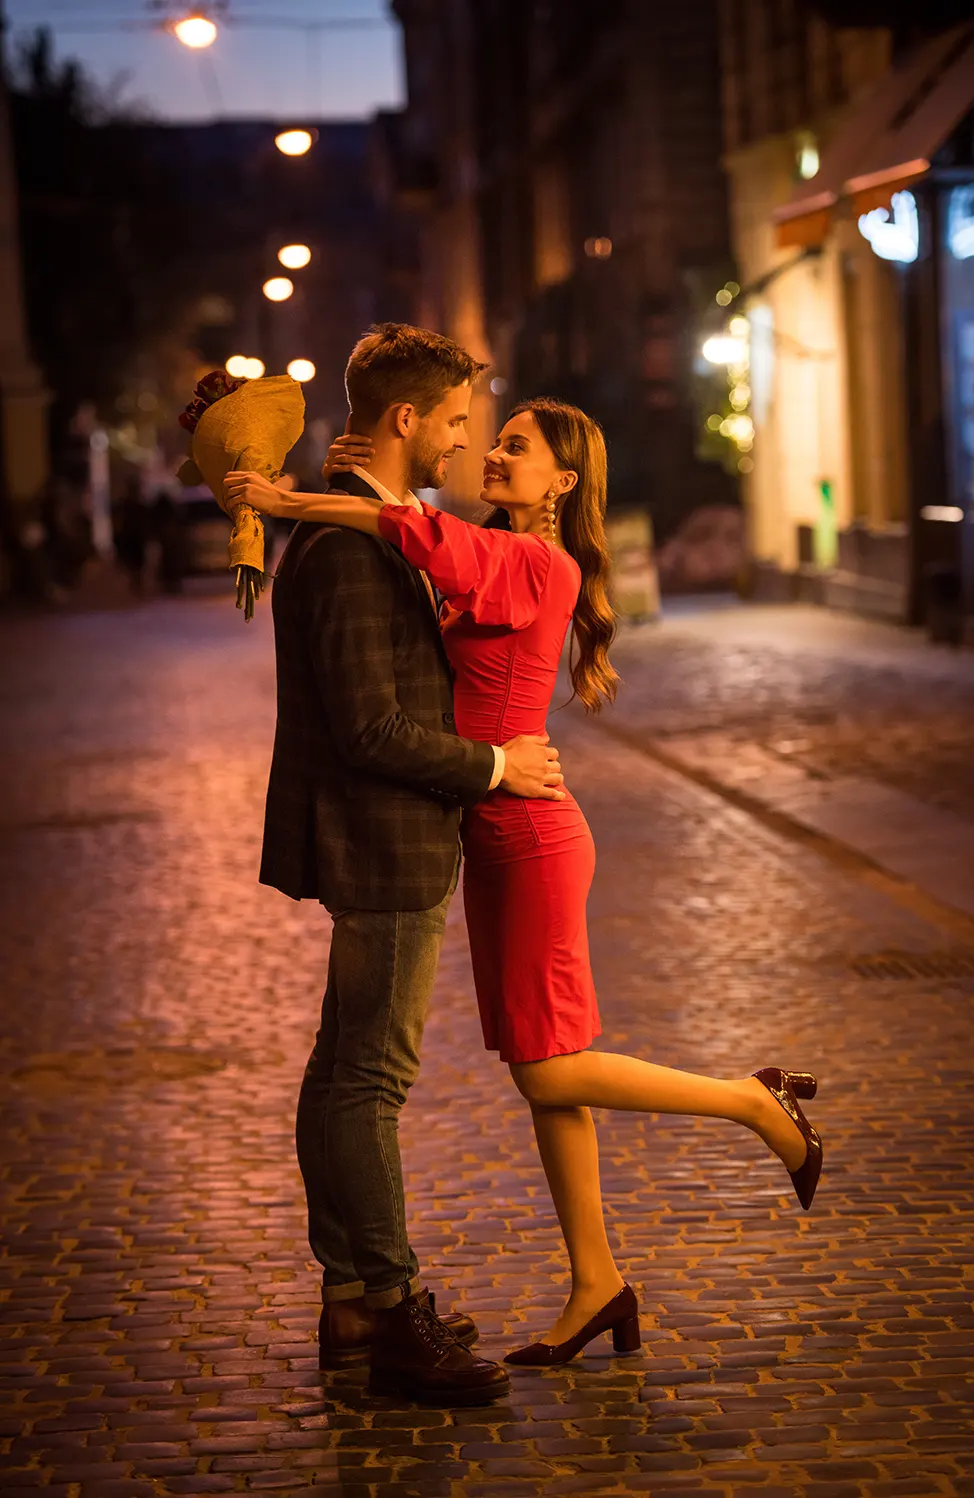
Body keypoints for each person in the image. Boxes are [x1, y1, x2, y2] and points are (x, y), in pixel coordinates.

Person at [226, 381, 824, 1371]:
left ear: (562, 478)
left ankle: (753, 1102)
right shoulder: (496, 549)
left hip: (532, 834)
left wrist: (287, 504)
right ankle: (596, 1280)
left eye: (512, 445)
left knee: (551, 1064)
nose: (491, 454)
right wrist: (338, 480)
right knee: (542, 1072)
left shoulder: (532, 561)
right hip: (493, 830)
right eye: (487, 439)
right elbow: (404, 522)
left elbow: (399, 524)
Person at [240, 325, 565, 1407]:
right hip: (384, 843)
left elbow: (431, 546)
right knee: (367, 1080)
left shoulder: (384, 533)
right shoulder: (346, 555)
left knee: (342, 1071)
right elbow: (371, 726)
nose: (468, 442)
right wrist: (496, 763)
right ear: (406, 420)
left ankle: (351, 1299)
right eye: (459, 421)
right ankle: (388, 1307)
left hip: (395, 840)